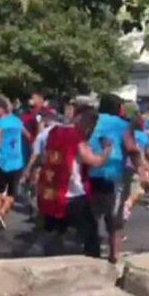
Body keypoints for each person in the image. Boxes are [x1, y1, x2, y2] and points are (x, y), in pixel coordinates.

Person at [37, 106, 111, 257]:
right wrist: (106, 151)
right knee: (90, 235)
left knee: (55, 230)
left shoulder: (53, 132)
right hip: (72, 193)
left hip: (52, 191)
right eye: (91, 123)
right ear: (83, 120)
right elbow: (93, 161)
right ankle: (93, 264)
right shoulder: (76, 136)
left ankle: (50, 259)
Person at [88, 94, 146, 263]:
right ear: (118, 108)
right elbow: (132, 149)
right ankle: (114, 256)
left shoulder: (92, 121)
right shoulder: (122, 125)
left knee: (92, 215)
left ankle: (90, 251)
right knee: (114, 217)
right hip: (112, 175)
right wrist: (141, 171)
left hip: (90, 173)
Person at [0, 96, 28, 229]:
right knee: (12, 191)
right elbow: (27, 135)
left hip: (2, 160)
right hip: (17, 160)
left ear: (1, 109)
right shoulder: (17, 121)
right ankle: (1, 213)